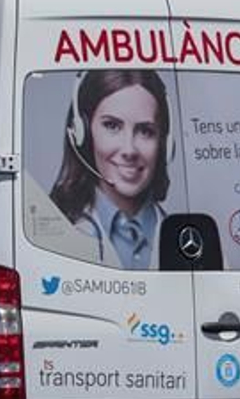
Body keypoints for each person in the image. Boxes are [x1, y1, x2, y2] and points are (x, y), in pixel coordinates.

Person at [47, 68, 172, 271]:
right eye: (112, 126)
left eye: (146, 131)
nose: (129, 150)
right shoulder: (51, 232)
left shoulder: (190, 239)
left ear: (164, 143)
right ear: (83, 133)